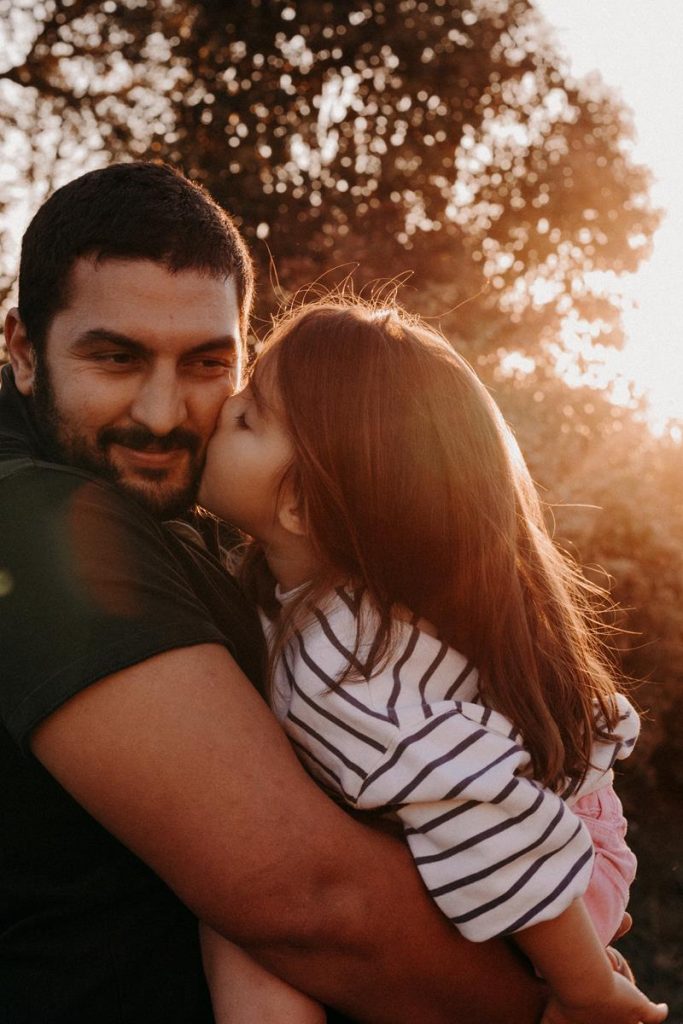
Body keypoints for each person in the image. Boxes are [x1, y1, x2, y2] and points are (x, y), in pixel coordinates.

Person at [0, 161, 550, 1023]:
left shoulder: (187, 513)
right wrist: (553, 1006)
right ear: (23, 351)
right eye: (116, 357)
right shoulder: (33, 523)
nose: (161, 411)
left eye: (206, 363)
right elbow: (306, 902)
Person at [197, 300, 669, 1024]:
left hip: (547, 866)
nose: (220, 406)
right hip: (524, 841)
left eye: (248, 417)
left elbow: (489, 815)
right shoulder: (296, 588)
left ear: (297, 506)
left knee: (234, 895)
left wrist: (582, 986)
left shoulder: (339, 673)